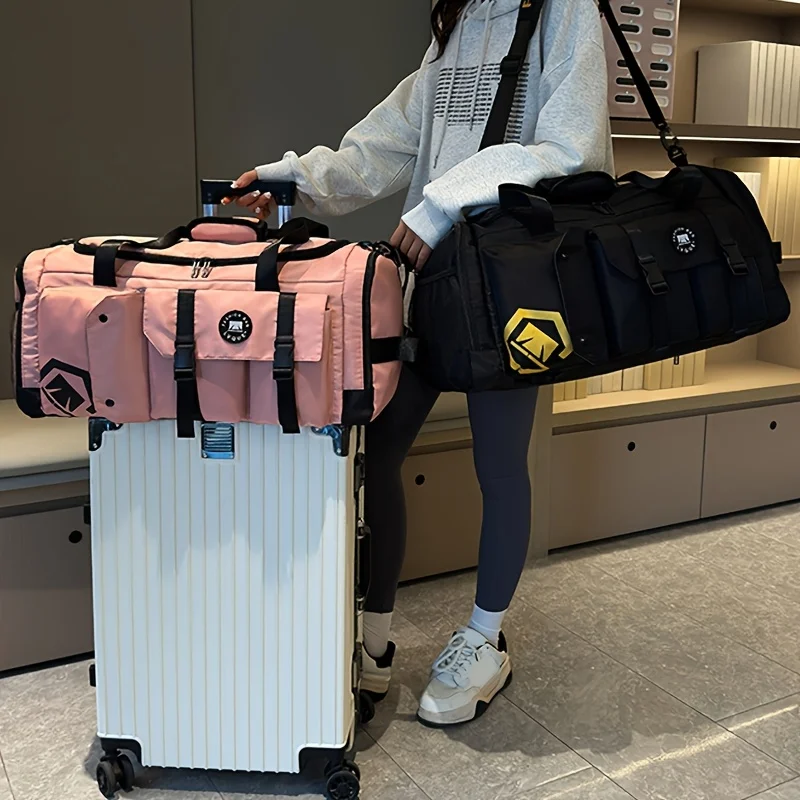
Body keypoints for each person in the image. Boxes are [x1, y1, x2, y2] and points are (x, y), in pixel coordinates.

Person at [226, 0, 613, 727]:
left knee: (500, 466)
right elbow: (387, 142)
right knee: (376, 452)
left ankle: (485, 637)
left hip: (511, 289)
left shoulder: (565, 10)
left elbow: (573, 148)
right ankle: (373, 640)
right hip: (429, 284)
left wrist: (440, 206)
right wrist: (291, 179)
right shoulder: (461, 19)